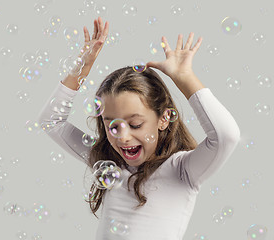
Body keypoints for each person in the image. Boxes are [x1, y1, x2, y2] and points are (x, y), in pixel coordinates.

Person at [38, 16, 240, 240]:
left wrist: (185, 78)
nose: (123, 137)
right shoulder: (106, 161)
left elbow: (226, 136)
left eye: (135, 124)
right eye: (112, 125)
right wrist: (82, 67)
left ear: (163, 119)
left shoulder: (182, 170)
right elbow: (51, 121)